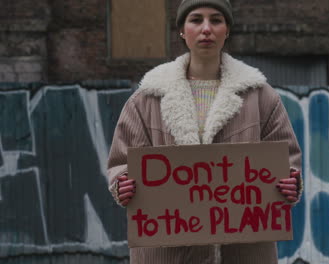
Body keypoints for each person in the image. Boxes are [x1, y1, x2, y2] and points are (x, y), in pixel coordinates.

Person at [107, 0, 302, 263]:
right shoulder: (147, 99)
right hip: (167, 254)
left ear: (228, 30)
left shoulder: (260, 96)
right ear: (181, 30)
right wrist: (122, 183)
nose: (206, 29)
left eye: (216, 20)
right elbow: (122, 162)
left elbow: (286, 159)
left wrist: (291, 182)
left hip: (244, 252)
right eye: (196, 20)